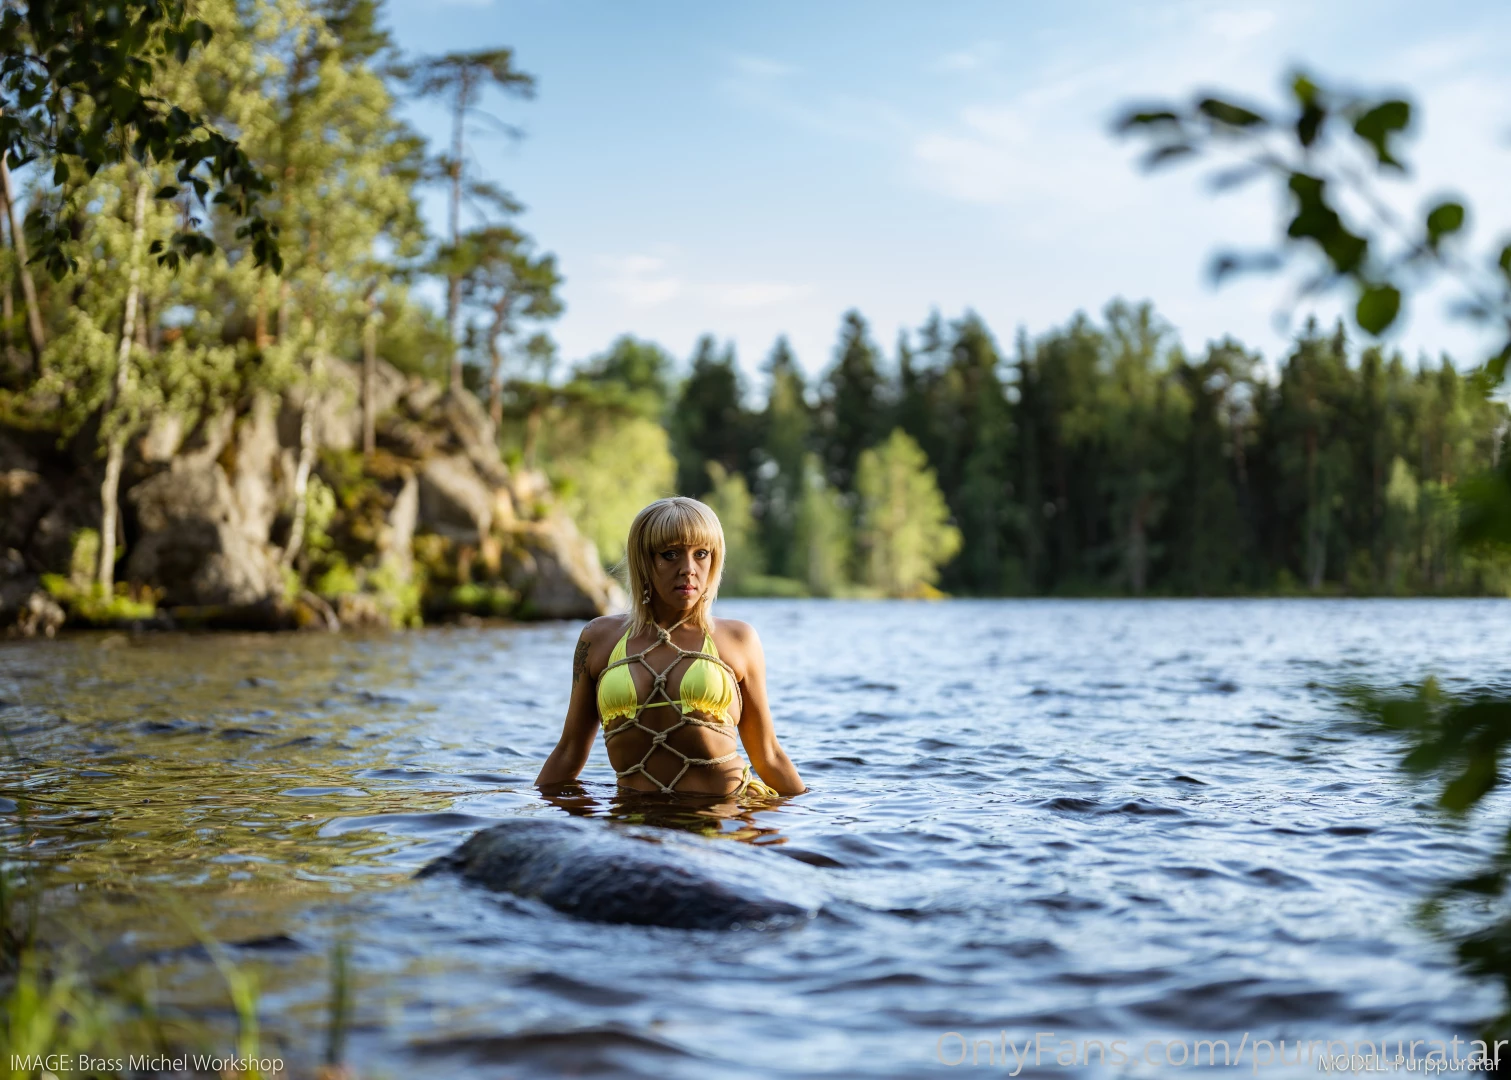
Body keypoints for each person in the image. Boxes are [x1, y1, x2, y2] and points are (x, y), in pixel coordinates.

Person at [536, 496, 806, 800]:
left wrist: (812, 822)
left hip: (725, 820)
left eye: (701, 553)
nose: (688, 569)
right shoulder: (598, 637)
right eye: (670, 554)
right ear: (644, 562)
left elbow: (768, 755)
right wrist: (526, 820)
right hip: (632, 821)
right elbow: (569, 751)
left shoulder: (739, 639)